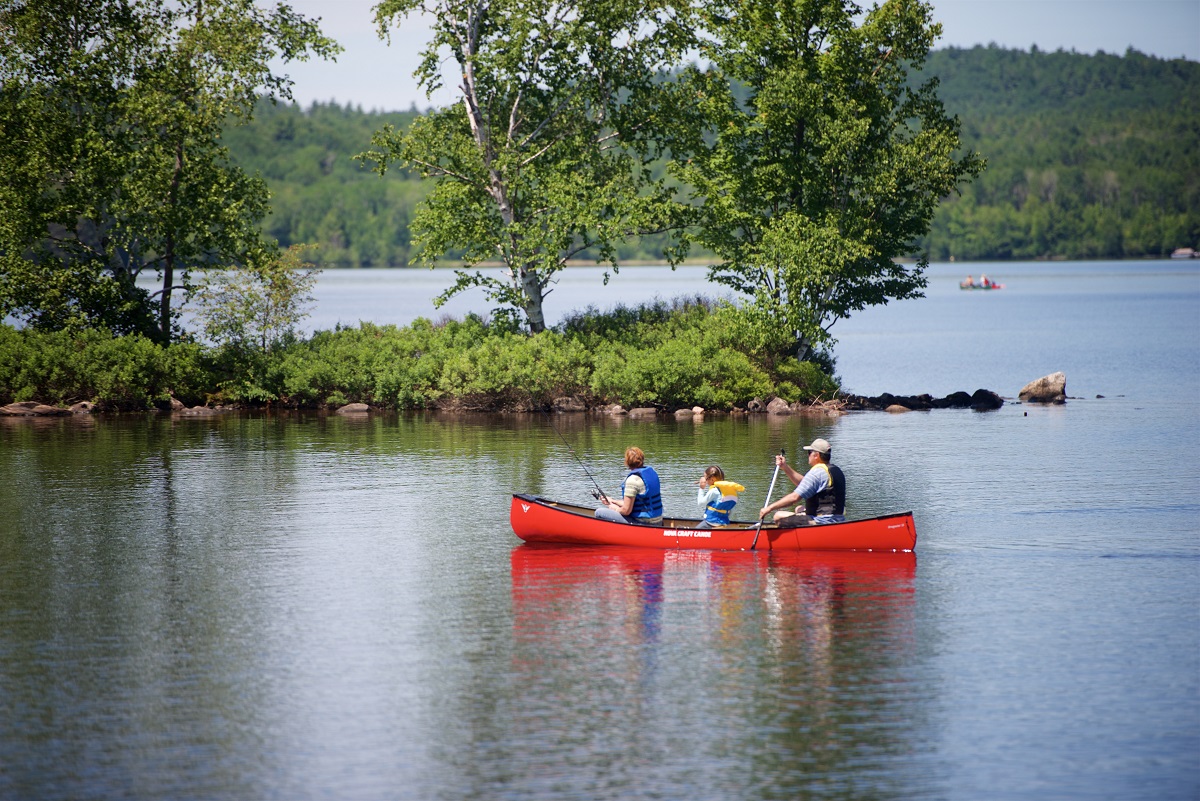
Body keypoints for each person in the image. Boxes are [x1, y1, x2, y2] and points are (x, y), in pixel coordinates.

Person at [758, 438, 846, 526]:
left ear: (816, 455)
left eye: (809, 453)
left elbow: (794, 498)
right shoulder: (835, 470)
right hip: (838, 518)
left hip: (823, 521)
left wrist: (769, 508)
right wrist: (785, 467)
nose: (808, 455)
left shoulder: (817, 472)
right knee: (799, 509)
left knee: (778, 516)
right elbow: (804, 484)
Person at [595, 446, 663, 525]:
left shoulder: (632, 480)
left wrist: (614, 508)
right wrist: (613, 501)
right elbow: (633, 504)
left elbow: (626, 511)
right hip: (659, 521)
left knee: (599, 512)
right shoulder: (652, 474)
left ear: (627, 462)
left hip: (643, 523)